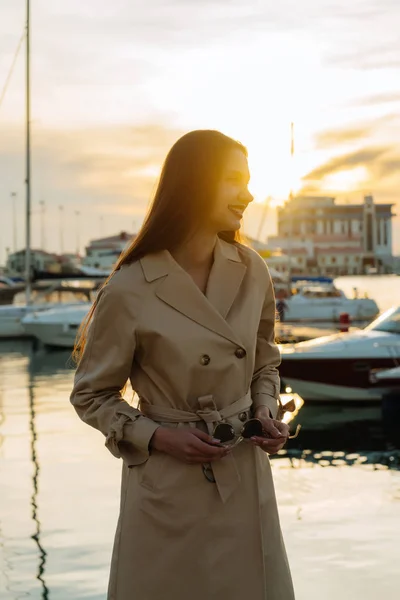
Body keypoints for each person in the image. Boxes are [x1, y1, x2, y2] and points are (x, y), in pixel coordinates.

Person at [70, 130, 295, 600]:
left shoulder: (253, 269)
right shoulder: (129, 287)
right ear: (195, 183)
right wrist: (159, 435)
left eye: (249, 181)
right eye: (234, 180)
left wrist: (266, 411)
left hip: (244, 470)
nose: (248, 194)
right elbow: (91, 394)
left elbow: (265, 360)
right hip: (169, 483)